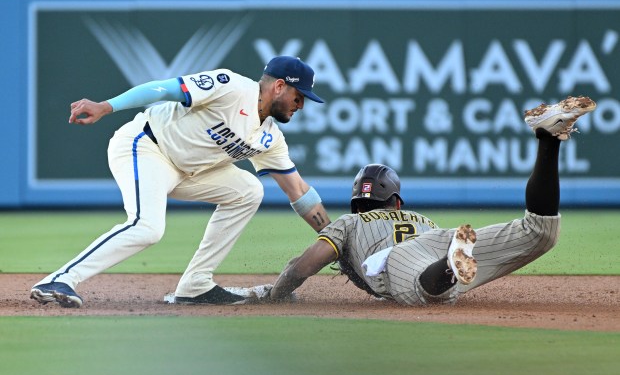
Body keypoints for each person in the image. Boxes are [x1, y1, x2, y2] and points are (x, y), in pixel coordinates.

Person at [30, 56, 331, 308]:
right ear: (280, 86)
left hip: (187, 172)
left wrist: (334, 240)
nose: (301, 105)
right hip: (147, 146)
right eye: (299, 96)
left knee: (249, 190)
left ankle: (195, 284)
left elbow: (299, 191)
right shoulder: (232, 86)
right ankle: (59, 279)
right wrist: (107, 106)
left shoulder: (270, 138)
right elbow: (162, 89)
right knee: (147, 227)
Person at [240, 96, 596, 306]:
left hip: (399, 257)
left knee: (422, 292)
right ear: (395, 202)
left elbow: (307, 264)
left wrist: (279, 291)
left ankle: (447, 268)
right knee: (539, 232)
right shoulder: (418, 217)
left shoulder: (347, 223)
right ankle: (548, 140)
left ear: (355, 204)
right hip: (438, 237)